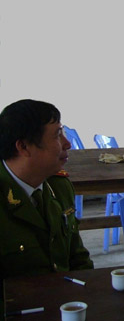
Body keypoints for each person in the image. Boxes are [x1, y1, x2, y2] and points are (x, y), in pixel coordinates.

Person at [0, 99, 93, 293]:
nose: (67, 144)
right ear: (24, 147)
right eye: (57, 135)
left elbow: (78, 259)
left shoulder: (59, 186)